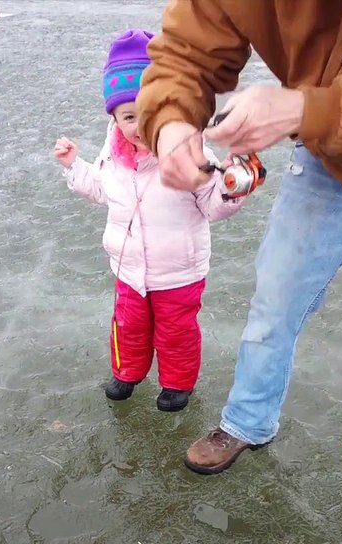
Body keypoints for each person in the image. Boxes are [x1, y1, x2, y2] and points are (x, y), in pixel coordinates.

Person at [135, 0, 342, 536]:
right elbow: (188, 48)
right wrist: (171, 122)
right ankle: (246, 423)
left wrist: (306, 110)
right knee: (273, 302)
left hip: (335, 130)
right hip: (323, 161)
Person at [53, 29, 247, 413]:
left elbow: (211, 203)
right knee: (126, 327)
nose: (138, 126)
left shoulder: (190, 151)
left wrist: (230, 189)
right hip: (129, 269)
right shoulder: (113, 154)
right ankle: (127, 373)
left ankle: (177, 384)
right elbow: (101, 189)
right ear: (114, 117)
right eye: (128, 116)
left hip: (179, 271)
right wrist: (74, 166)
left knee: (176, 333)